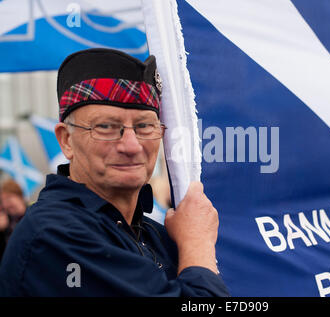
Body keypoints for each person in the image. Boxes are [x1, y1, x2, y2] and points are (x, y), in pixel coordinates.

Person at [0, 48, 229, 296]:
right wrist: (197, 245)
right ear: (66, 140)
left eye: (144, 126)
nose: (131, 146)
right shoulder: (56, 235)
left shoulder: (156, 234)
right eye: (106, 127)